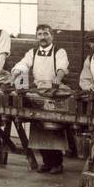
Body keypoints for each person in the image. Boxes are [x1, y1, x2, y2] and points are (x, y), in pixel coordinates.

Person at [11, 24, 70, 173]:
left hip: (54, 93)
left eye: (46, 34)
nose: (42, 37)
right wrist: (18, 71)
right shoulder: (33, 52)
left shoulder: (59, 51)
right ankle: (46, 162)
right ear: (36, 37)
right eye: (40, 34)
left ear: (52, 36)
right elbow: (24, 64)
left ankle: (57, 163)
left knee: (52, 127)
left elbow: (62, 66)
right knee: (38, 126)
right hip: (38, 92)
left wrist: (58, 77)